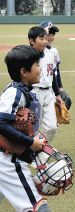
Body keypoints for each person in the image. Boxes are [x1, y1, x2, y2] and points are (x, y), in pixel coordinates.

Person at [0, 45, 48, 211]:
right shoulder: (15, 93)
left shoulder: (24, 91)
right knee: (37, 207)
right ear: (23, 71)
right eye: (36, 65)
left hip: (7, 158)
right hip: (6, 161)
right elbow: (1, 123)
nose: (40, 68)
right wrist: (30, 143)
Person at [28, 26, 62, 143]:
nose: (45, 41)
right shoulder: (27, 56)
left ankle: (40, 154)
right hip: (33, 93)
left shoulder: (50, 54)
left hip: (49, 93)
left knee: (52, 127)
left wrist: (57, 94)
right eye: (41, 39)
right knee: (33, 129)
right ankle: (31, 156)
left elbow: (53, 77)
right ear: (32, 41)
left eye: (45, 39)